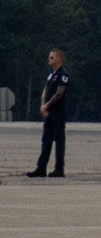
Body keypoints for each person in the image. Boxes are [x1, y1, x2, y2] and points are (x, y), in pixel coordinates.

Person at [26, 49, 70, 178]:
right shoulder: (51, 74)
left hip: (58, 111)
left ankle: (59, 168)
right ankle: (41, 167)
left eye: (52, 57)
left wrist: (47, 105)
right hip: (49, 111)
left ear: (59, 59)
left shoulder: (63, 74)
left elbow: (59, 94)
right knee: (46, 139)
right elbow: (45, 90)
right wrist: (43, 106)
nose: (49, 59)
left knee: (59, 140)